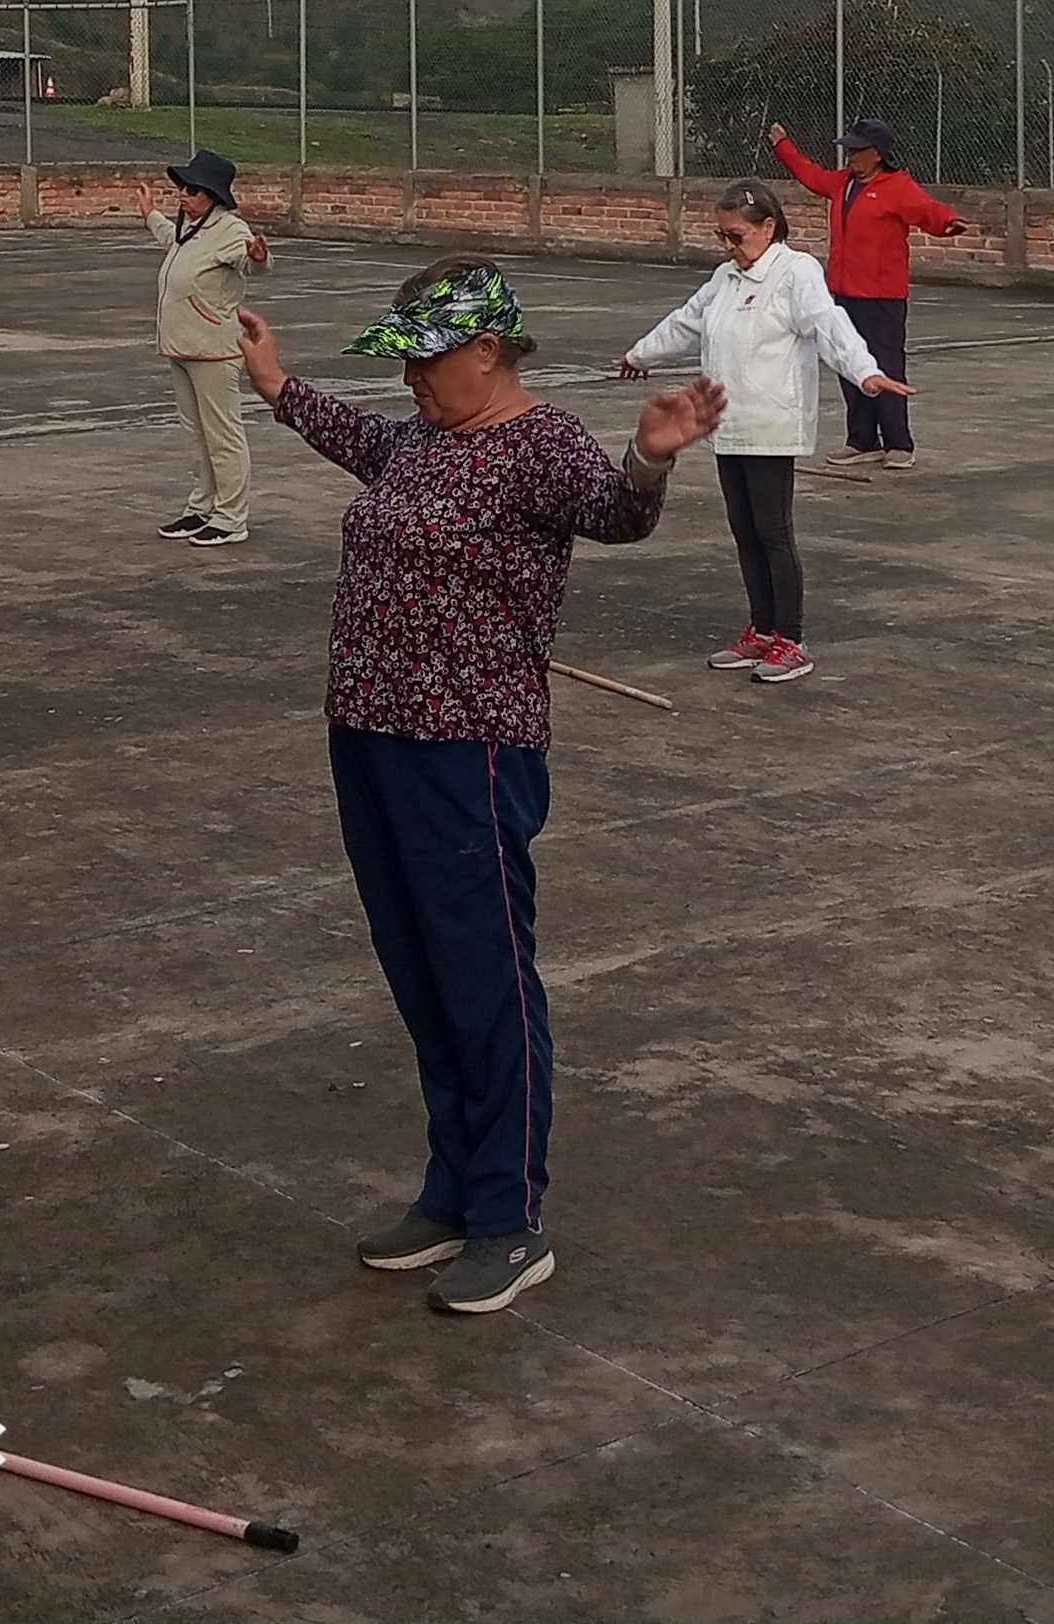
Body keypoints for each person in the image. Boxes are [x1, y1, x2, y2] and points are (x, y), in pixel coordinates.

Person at [236, 261, 723, 1318]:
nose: (412, 378)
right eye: (403, 360)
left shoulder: (538, 443)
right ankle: (451, 1190)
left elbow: (612, 513)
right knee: (418, 969)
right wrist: (276, 385)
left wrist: (649, 457)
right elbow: (355, 439)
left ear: (489, 351)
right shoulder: (418, 439)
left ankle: (509, 1216)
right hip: (369, 734)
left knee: (483, 977)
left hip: (468, 747)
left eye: (428, 358)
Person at [616, 181, 912, 685]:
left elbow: (829, 325)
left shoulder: (796, 272)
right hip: (727, 423)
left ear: (768, 227)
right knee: (745, 531)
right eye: (722, 236)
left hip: (771, 424)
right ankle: (761, 629)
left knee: (773, 532)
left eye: (736, 235)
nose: (729, 246)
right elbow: (686, 322)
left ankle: (790, 640)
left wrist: (865, 371)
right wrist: (639, 354)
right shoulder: (725, 277)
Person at [768, 115, 968, 469]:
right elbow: (810, 174)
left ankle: (898, 443)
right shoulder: (842, 182)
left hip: (883, 295)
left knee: (886, 365)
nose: (850, 155)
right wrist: (783, 146)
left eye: (857, 150)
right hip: (844, 292)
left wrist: (948, 222)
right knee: (849, 362)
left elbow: (926, 209)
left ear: (877, 153)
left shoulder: (897, 185)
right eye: (849, 149)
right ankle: (862, 440)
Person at [148, 147, 271, 547]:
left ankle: (231, 517)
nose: (183, 195)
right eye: (182, 187)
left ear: (213, 195)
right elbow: (171, 239)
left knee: (222, 435)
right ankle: (202, 506)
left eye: (193, 190)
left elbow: (249, 260)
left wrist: (259, 258)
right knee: (195, 435)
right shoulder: (188, 226)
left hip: (214, 349)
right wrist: (151, 215)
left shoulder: (230, 229)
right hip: (181, 347)